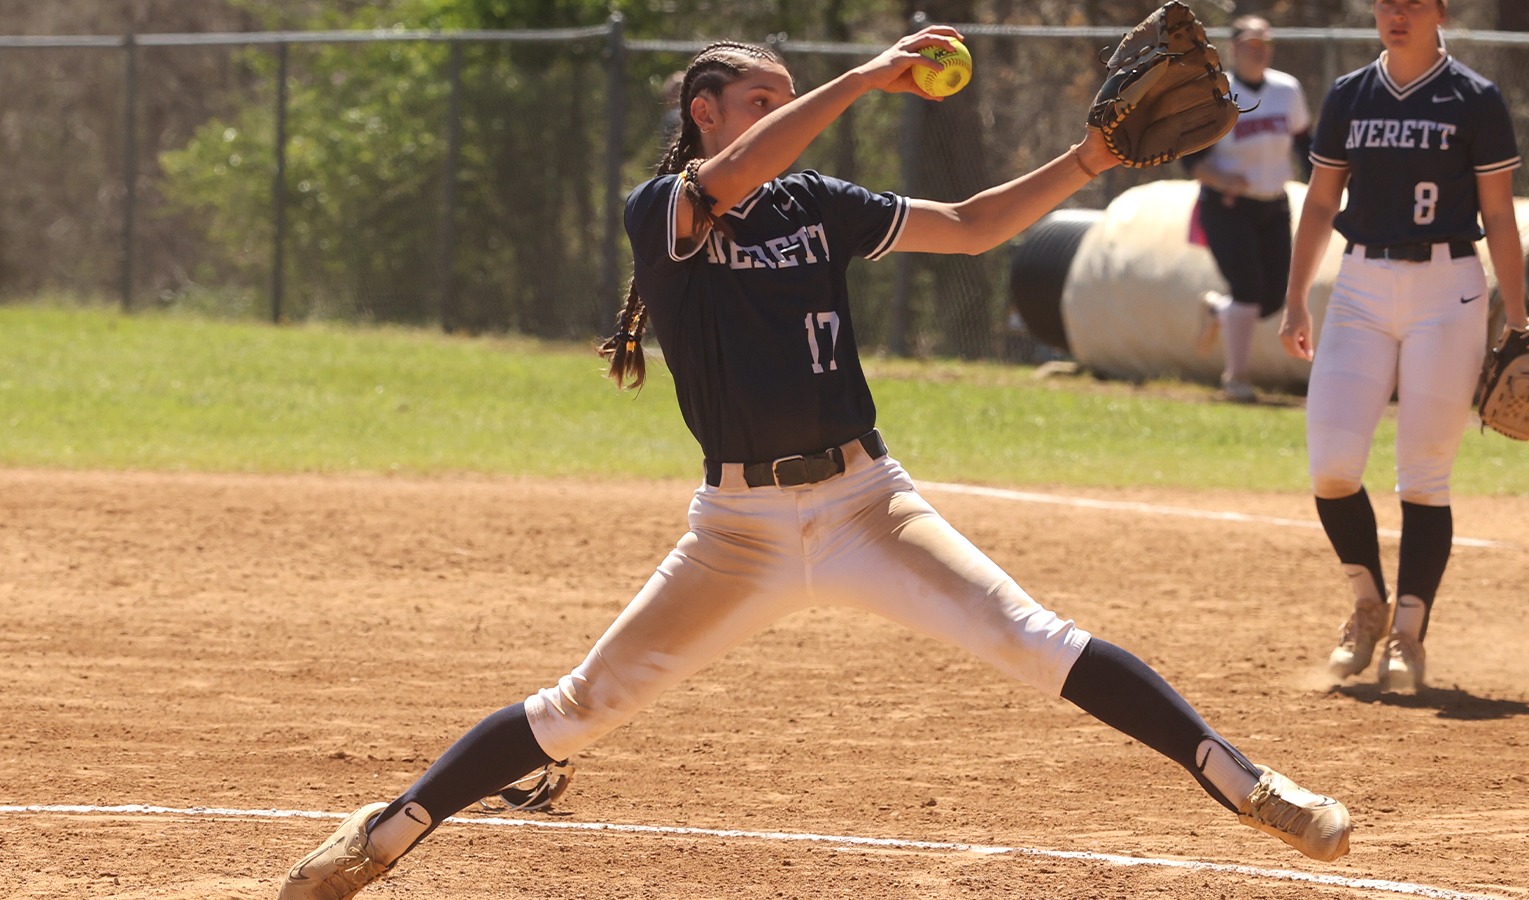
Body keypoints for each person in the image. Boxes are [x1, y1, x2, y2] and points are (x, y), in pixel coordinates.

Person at [278, 31, 1352, 899]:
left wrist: (1087, 163)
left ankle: (1249, 786)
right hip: (733, 534)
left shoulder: (813, 204)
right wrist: (861, 77)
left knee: (1040, 640)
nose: (776, 118)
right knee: (578, 706)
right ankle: (383, 833)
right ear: (705, 114)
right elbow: (732, 176)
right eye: (759, 100)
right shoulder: (666, 212)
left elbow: (973, 228)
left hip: (864, 504)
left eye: (785, 100)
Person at [1278, 0, 1529, 693]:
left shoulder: (1473, 98)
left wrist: (1519, 315)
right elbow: (1323, 203)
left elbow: (1500, 213)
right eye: (1387, 1)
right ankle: (1368, 603)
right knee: (1331, 465)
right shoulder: (1349, 95)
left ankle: (1408, 635)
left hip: (1448, 290)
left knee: (1424, 474)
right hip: (1360, 283)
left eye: (1414, 1)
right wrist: (1297, 296)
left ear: (1440, 10)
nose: (1398, 13)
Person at [1188, 15, 1311, 404]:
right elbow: (1191, 161)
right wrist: (1224, 182)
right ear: (1234, 47)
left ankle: (1220, 311)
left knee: (1274, 297)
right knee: (1248, 288)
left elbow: (1306, 146)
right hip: (1227, 207)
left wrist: (1327, 183)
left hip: (1274, 205)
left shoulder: (1286, 90)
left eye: (1265, 44)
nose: (1259, 51)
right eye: (1251, 44)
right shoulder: (1218, 95)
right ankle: (1236, 378)